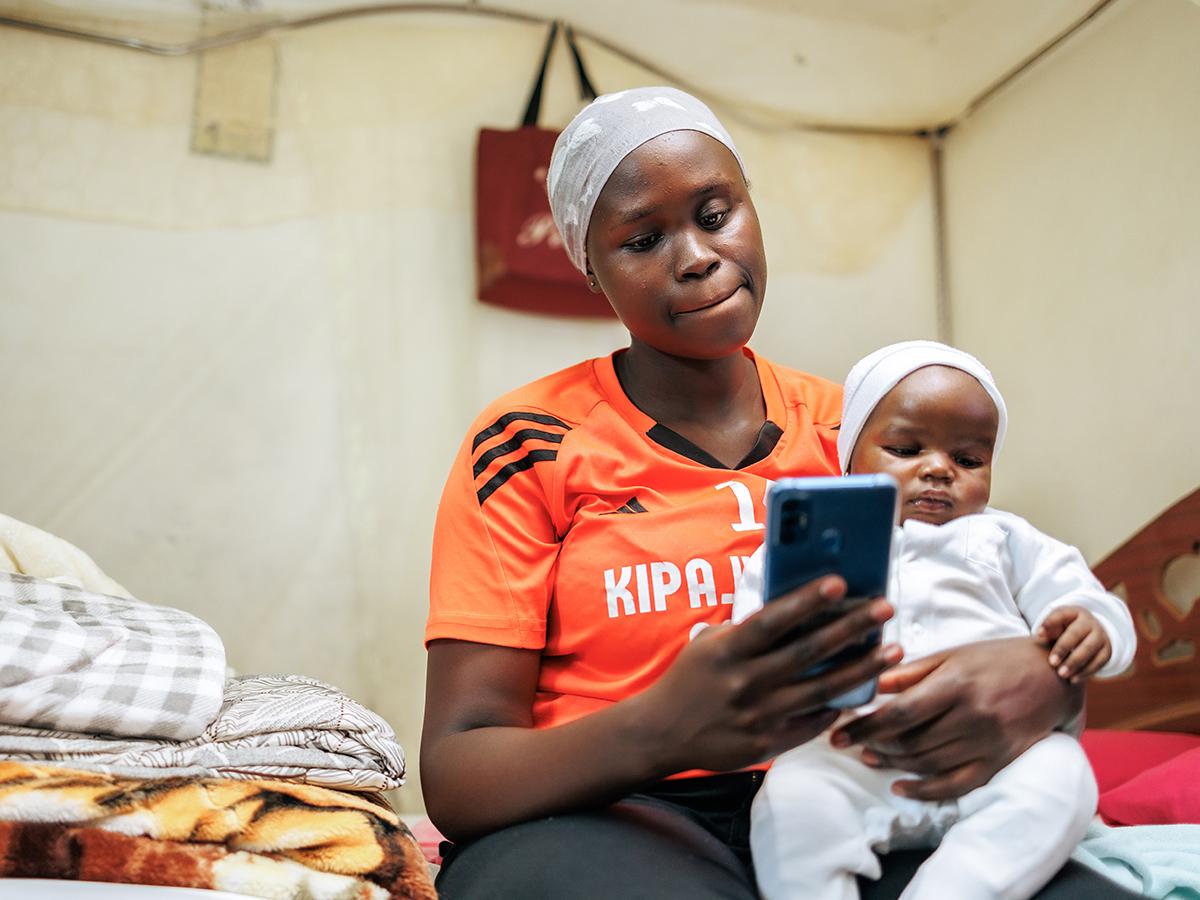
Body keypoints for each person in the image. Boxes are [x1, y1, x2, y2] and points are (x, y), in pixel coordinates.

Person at [421, 86, 1140, 899]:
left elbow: (991, 583)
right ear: (591, 267)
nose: (695, 256)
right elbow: (458, 770)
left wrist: (1045, 682)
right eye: (644, 238)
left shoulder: (869, 436)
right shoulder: (526, 443)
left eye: (716, 213)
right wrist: (661, 726)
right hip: (617, 809)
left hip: (864, 779)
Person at [732, 341, 1136, 900]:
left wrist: (1093, 625)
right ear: (851, 456)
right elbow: (748, 641)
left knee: (1064, 775)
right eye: (905, 448)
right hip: (855, 757)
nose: (938, 469)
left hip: (997, 761)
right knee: (791, 797)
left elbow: (1087, 599)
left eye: (968, 460)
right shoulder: (808, 550)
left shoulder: (1005, 537)